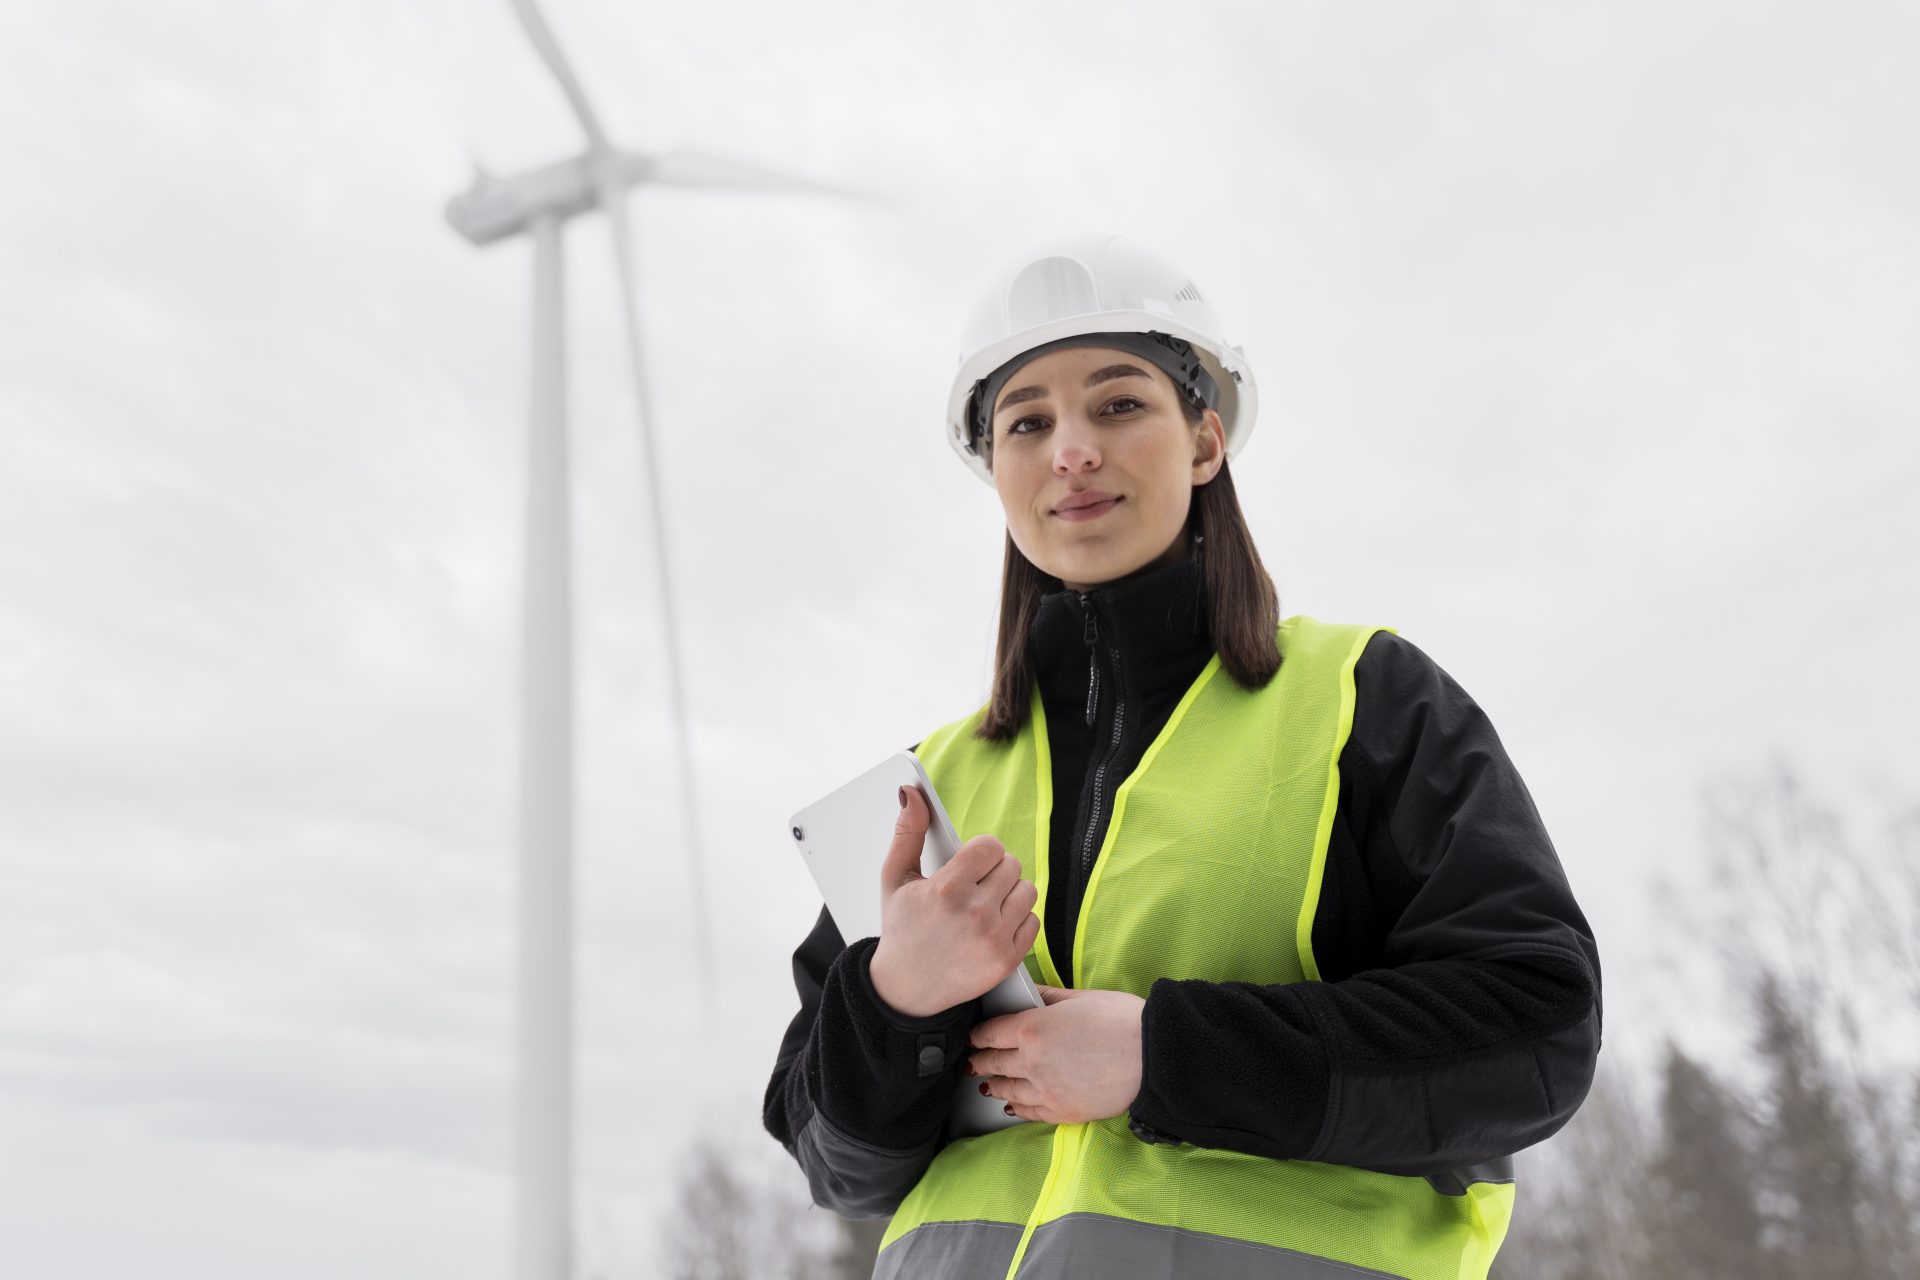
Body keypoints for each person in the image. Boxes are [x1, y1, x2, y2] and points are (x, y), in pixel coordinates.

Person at [763, 233, 1602, 1280]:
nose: (1071, 449)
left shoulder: (1363, 700)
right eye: (1027, 422)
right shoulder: (922, 787)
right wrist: (895, 998)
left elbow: (1534, 1031)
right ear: (997, 471)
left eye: (1118, 404)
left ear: (1206, 442)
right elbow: (837, 1164)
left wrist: (1169, 1052)